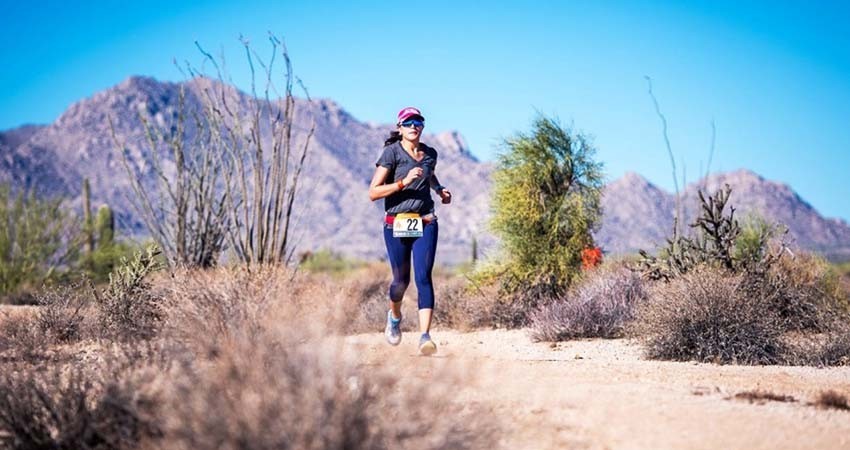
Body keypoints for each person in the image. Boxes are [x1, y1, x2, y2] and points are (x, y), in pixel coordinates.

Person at [368, 107, 452, 355]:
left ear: (423, 126)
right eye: (408, 123)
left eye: (418, 122)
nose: (414, 126)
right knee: (400, 281)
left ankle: (425, 336)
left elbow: (430, 175)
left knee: (424, 277)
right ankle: (394, 317)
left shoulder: (430, 154)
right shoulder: (391, 153)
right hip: (397, 222)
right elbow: (373, 192)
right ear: (400, 127)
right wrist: (403, 182)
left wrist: (439, 189)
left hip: (425, 220)